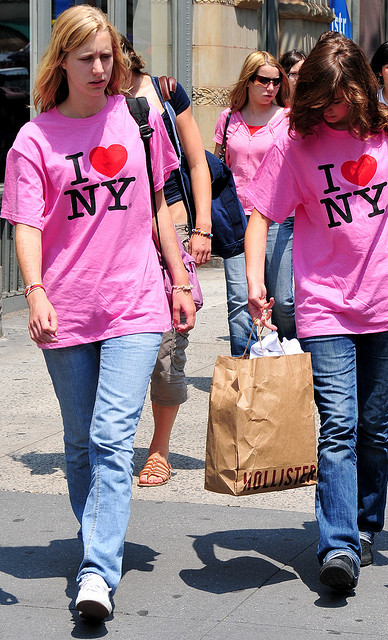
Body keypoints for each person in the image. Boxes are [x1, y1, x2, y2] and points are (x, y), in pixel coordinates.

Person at [0, 6, 195, 620]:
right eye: (86, 57)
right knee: (80, 442)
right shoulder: (34, 140)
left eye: (107, 56)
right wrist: (34, 291)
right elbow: (26, 225)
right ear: (61, 62)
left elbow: (161, 203)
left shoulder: (138, 117)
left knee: (112, 438)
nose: (100, 68)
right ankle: (96, 540)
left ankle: (96, 571)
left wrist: (180, 280)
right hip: (66, 308)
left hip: (135, 302)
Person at [244, 35, 388, 592]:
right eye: (323, 98)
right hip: (325, 304)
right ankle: (337, 545)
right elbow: (261, 215)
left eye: (341, 96)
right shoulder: (295, 141)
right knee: (337, 426)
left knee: (371, 427)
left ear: (359, 84)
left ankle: (364, 525)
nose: (332, 109)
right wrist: (258, 284)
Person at [121, 37, 212, 487]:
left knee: (168, 348)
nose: (100, 70)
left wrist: (202, 227)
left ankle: (159, 449)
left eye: (107, 58)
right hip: (118, 240)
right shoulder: (86, 105)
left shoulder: (163, 91)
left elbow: (197, 164)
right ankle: (116, 444)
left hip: (170, 229)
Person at [213, 51, 296, 356]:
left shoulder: (287, 119)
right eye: (263, 80)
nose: (270, 87)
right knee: (239, 298)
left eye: (276, 81)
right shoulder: (228, 118)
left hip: (276, 216)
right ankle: (244, 364)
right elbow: (219, 167)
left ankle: (288, 356)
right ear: (248, 81)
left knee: (283, 300)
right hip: (236, 218)